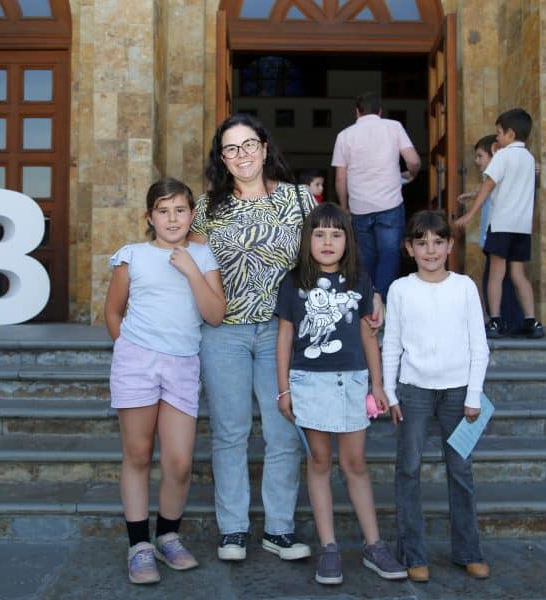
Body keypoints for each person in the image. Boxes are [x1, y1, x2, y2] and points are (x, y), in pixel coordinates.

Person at [188, 113, 317, 563]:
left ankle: (279, 530)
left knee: (284, 431)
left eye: (248, 145)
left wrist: (366, 295)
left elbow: (324, 254)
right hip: (223, 331)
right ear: (222, 158)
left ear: (264, 148)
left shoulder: (298, 199)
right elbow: (190, 268)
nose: (241, 155)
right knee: (230, 431)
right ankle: (233, 530)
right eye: (231, 148)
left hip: (281, 332)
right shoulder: (207, 208)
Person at [275, 202, 407, 585]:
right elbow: (284, 338)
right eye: (319, 234)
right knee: (319, 461)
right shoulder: (294, 281)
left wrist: (378, 385)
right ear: (308, 240)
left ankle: (373, 545)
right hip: (308, 381)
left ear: (348, 240)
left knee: (355, 463)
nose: (328, 242)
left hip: (352, 381)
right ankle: (329, 547)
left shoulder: (359, 280)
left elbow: (368, 335)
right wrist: (283, 389)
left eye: (336, 234)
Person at [104, 177, 226, 585]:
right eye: (163, 210)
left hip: (182, 364)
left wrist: (191, 270)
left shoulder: (203, 256)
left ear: (191, 214)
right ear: (149, 217)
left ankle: (168, 536)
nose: (172, 218)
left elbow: (215, 314)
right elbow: (113, 312)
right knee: (138, 454)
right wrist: (128, 350)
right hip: (136, 361)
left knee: (178, 461)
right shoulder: (132, 257)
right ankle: (139, 545)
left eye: (180, 210)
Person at [382, 210, 491, 583]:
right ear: (409, 248)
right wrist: (390, 391)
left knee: (460, 470)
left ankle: (468, 551)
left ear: (450, 245)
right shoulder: (400, 289)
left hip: (458, 394)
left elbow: (479, 345)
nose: (430, 250)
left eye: (438, 242)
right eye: (422, 243)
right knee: (408, 468)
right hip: (413, 391)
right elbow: (392, 344)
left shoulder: (464, 287)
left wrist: (474, 395)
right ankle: (413, 553)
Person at [454, 108, 544, 339]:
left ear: (510, 134)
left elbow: (488, 186)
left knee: (496, 274)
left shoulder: (503, 156)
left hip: (502, 225)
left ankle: (495, 320)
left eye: (499, 133)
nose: (497, 137)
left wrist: (470, 214)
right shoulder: (529, 159)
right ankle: (532, 321)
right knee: (518, 274)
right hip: (521, 229)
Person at [331, 91, 421, 300]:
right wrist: (411, 174)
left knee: (366, 258)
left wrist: (344, 207)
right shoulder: (394, 127)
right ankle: (383, 301)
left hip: (360, 207)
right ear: (380, 111)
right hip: (390, 204)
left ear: (357, 112)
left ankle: (367, 303)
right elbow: (414, 161)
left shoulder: (344, 136)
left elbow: (340, 179)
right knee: (389, 255)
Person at [458, 135, 524, 334]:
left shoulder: (499, 174)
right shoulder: (494, 179)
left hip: (498, 235)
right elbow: (489, 191)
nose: (476, 161)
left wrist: (469, 214)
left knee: (497, 280)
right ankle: (507, 321)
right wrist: (473, 195)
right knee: (498, 279)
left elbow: (491, 190)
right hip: (497, 235)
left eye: (480, 156)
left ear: (494, 156)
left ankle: (507, 322)